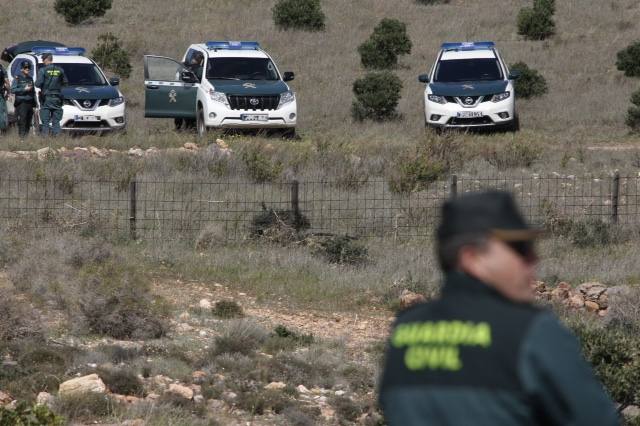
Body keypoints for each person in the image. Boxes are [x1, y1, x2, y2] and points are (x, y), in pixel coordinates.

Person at [379, 191, 619, 426]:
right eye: (520, 249)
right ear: (472, 258)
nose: (533, 259)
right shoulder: (533, 332)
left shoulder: (405, 330)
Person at [35, 53, 67, 136]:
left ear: (46, 59)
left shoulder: (43, 70)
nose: (42, 61)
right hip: (57, 99)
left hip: (46, 99)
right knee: (56, 121)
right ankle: (57, 138)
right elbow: (65, 82)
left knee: (45, 121)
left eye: (43, 60)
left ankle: (45, 138)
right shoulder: (60, 70)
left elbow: (38, 84)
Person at [11, 61, 36, 138]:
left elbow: (33, 92)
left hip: (30, 103)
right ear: (22, 69)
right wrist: (24, 89)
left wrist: (34, 104)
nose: (27, 69)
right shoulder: (17, 78)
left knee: (29, 121)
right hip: (22, 103)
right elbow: (13, 90)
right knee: (22, 120)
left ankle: (26, 137)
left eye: (28, 68)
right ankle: (22, 138)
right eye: (25, 68)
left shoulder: (30, 78)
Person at [0, 62, 9, 134]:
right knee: (2, 112)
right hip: (1, 94)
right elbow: (7, 82)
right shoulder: (2, 69)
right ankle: (2, 130)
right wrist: (9, 92)